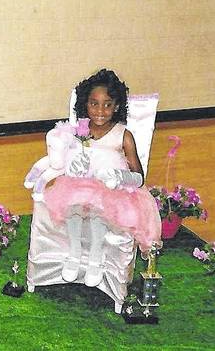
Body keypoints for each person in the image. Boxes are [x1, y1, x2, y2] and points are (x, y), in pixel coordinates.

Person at [43, 69, 161, 287]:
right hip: (81, 184)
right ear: (85, 104)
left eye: (107, 105)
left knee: (99, 208)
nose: (100, 111)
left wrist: (119, 176)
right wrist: (72, 165)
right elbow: (65, 156)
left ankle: (96, 257)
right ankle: (74, 253)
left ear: (116, 106)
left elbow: (139, 177)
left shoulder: (123, 135)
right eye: (94, 104)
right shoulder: (79, 131)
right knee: (73, 204)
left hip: (112, 189)